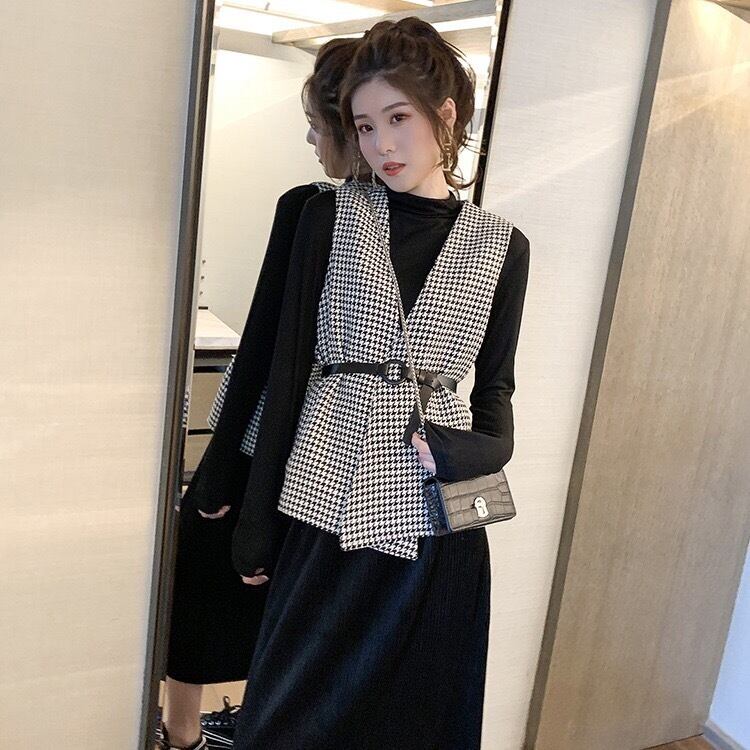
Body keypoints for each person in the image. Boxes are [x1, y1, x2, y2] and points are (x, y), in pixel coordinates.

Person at [229, 17, 531, 750]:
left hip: (435, 519)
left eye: (398, 118)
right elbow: (286, 372)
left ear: (445, 115)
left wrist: (475, 451)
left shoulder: (505, 245)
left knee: (412, 721)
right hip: (324, 494)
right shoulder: (327, 216)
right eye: (365, 127)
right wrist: (253, 517)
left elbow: (495, 391)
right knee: (284, 716)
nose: (381, 145)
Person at [158, 38, 360, 750]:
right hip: (336, 453)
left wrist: (217, 465)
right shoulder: (346, 212)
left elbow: (263, 349)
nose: (310, 140)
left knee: (204, 585)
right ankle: (217, 725)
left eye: (315, 125)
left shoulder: (309, 208)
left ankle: (185, 732)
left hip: (273, 444)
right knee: (263, 594)